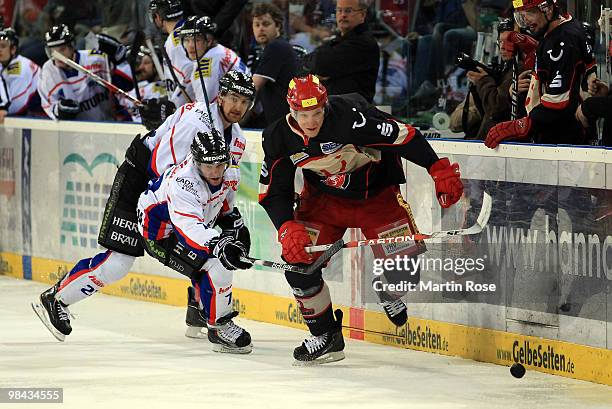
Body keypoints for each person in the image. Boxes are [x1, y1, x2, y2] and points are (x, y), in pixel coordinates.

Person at [31, 70, 255, 342]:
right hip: (141, 181)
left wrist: (231, 219)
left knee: (202, 245)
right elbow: (159, 167)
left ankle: (200, 307)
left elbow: (215, 184)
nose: (238, 107)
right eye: (233, 98)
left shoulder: (237, 138)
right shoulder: (197, 122)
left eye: (245, 102)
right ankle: (56, 299)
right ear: (220, 96)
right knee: (118, 263)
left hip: (172, 193)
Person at [258, 75, 464, 364]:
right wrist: (286, 226)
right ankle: (326, 335)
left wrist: (437, 167)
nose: (311, 121)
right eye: (304, 114)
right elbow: (272, 192)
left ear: (325, 105)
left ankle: (389, 290)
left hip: (377, 199)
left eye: (317, 112)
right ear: (291, 110)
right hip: (322, 203)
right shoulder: (277, 137)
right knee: (298, 269)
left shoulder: (352, 118)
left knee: (405, 272)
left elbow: (404, 136)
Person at [137, 130, 253, 353]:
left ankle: (197, 313)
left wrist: (235, 225)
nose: (216, 171)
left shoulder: (229, 172)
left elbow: (221, 203)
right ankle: (219, 327)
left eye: (220, 164)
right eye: (209, 166)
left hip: (183, 225)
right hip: (159, 235)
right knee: (216, 263)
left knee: (210, 259)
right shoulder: (184, 183)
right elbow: (190, 229)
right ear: (196, 162)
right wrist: (219, 245)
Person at [485, 0, 596, 148]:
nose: (525, 20)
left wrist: (521, 125)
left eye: (530, 13)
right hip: (558, 133)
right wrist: (538, 55)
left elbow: (559, 102)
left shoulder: (563, 41)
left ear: (548, 9)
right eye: (521, 14)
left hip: (562, 139)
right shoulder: (566, 25)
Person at [302, 0, 379, 103]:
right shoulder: (338, 40)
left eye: (348, 11)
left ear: (362, 15)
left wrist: (318, 69)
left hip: (352, 112)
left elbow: (320, 64)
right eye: (339, 10)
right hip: (333, 110)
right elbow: (311, 61)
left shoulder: (363, 43)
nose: (343, 15)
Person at [37, 24, 114, 121]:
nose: (57, 55)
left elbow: (119, 87)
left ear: (72, 46)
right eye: (53, 51)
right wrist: (59, 111)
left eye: (62, 49)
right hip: (75, 131)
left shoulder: (96, 59)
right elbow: (49, 105)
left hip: (106, 125)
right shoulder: (47, 72)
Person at [179, 15, 249, 105]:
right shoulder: (218, 51)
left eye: (196, 40)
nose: (191, 45)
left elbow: (203, 108)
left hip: (245, 111)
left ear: (208, 41)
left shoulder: (207, 64)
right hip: (247, 104)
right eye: (187, 40)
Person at [251, 2, 299, 125]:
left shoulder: (276, 47)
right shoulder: (272, 49)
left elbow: (251, 87)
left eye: (266, 24)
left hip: (285, 123)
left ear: (277, 26)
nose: (260, 28)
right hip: (282, 121)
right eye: (257, 25)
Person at [149, 0, 195, 106]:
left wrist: (173, 106)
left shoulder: (174, 42)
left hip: (193, 110)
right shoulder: (191, 29)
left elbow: (189, 74)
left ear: (158, 17)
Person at [0, 27, 42, 123]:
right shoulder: (5, 64)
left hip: (41, 115)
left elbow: (17, 106)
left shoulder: (20, 69)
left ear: (13, 49)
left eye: (3, 46)